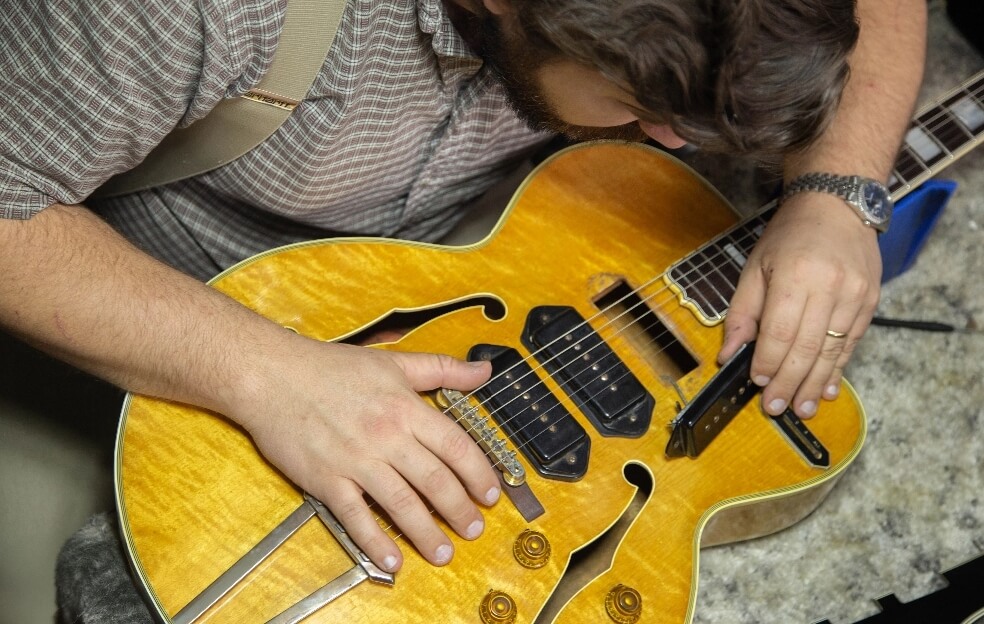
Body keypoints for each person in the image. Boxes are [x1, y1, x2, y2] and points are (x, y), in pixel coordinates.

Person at [1, 0, 926, 618]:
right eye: (637, 103)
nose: (676, 143)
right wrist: (267, 372)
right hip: (128, 330)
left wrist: (837, 196)